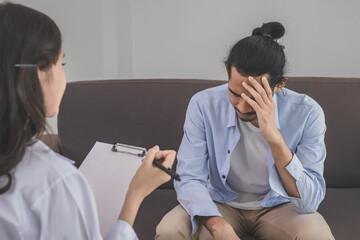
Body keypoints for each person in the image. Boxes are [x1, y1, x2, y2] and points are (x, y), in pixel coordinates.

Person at [0, 3, 175, 239]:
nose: (64, 76)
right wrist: (136, 193)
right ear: (39, 73)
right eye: (61, 63)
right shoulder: (55, 183)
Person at [156, 22, 334, 239]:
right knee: (169, 229)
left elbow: (309, 202)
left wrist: (275, 139)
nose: (242, 107)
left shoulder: (308, 113)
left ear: (280, 85)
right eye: (235, 93)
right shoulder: (203, 105)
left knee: (316, 234)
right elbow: (190, 178)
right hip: (219, 203)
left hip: (280, 206)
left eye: (254, 97)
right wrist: (218, 226)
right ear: (226, 70)